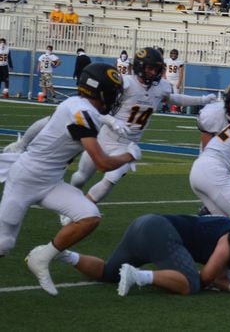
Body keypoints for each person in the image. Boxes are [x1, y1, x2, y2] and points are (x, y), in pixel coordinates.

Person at [0, 63, 139, 295]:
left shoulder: (75, 106)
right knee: (4, 244)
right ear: (102, 91)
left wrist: (23, 143)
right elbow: (103, 163)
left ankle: (42, 257)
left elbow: (43, 124)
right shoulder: (80, 112)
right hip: (25, 179)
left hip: (51, 182)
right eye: (114, 91)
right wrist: (130, 154)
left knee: (89, 216)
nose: (116, 97)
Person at [69, 48, 215, 206]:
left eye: (156, 69)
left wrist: (202, 99)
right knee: (82, 176)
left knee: (112, 179)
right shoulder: (125, 83)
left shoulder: (161, 87)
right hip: (106, 137)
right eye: (150, 68)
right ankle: (71, 200)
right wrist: (112, 121)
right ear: (140, 67)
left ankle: (82, 209)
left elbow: (175, 98)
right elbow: (97, 110)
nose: (153, 73)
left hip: (128, 145)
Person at [56, 213, 230, 296]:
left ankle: (66, 256)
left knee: (108, 272)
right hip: (161, 232)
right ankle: (138, 276)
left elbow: (218, 274)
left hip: (143, 223)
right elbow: (207, 276)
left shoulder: (229, 227)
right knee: (191, 284)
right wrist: (225, 284)